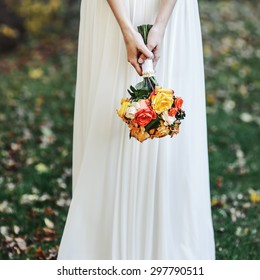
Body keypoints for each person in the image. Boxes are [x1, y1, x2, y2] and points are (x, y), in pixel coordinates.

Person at [58, 0, 215, 260]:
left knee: (169, 128)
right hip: (111, 12)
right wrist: (127, 29)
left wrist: (161, 25)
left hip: (172, 11)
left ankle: (169, 246)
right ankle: (100, 248)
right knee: (107, 106)